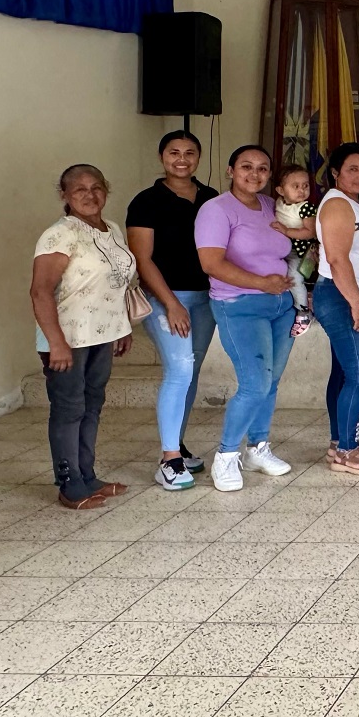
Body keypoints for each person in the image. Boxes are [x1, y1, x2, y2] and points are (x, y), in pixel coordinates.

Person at [30, 164, 135, 509]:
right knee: (69, 409)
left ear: (106, 189)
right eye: (79, 189)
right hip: (67, 340)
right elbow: (40, 291)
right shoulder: (60, 234)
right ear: (64, 195)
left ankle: (87, 475)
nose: (90, 195)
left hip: (101, 335)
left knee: (92, 406)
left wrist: (122, 327)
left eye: (96, 187)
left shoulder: (111, 229)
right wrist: (56, 343)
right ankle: (69, 484)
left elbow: (114, 283)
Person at [195, 145, 297, 493]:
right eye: (246, 167)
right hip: (239, 304)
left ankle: (257, 448)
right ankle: (225, 456)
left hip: (281, 306)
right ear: (230, 170)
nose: (255, 174)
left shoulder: (271, 206)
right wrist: (261, 283)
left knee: (271, 382)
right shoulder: (216, 210)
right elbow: (211, 263)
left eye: (262, 168)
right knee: (254, 384)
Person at [126, 131, 219, 491]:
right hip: (165, 299)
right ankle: (169, 460)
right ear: (161, 156)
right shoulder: (146, 201)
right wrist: (171, 304)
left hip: (205, 299)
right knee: (179, 370)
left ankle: (177, 444)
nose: (182, 159)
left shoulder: (211, 198)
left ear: (198, 157)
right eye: (174, 152)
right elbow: (142, 258)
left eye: (189, 152)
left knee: (190, 373)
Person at [313, 143, 359, 475]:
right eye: (352, 169)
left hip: (355, 298)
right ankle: (346, 451)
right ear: (335, 173)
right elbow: (336, 259)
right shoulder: (337, 205)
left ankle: (339, 441)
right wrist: (357, 304)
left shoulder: (354, 203)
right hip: (343, 298)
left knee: (344, 373)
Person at [271, 165, 318, 336]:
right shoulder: (278, 203)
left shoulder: (305, 207)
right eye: (295, 186)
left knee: (294, 278)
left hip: (301, 253)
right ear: (280, 190)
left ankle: (303, 311)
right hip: (282, 250)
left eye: (305, 185)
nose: (302, 190)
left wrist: (286, 231)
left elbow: (310, 232)